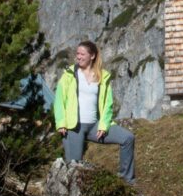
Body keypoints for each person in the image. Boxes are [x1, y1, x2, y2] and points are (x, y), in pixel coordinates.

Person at [53, 40, 135, 184]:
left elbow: (108, 104)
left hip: (94, 126)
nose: (78, 57)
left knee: (127, 138)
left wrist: (103, 125)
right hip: (74, 127)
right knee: (74, 168)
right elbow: (59, 100)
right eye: (77, 54)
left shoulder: (102, 76)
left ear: (92, 56)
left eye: (82, 54)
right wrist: (61, 122)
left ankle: (126, 180)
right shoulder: (69, 74)